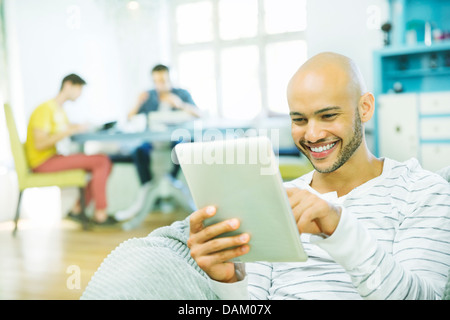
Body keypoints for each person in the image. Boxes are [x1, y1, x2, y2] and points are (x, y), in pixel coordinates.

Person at [81, 52, 450, 300]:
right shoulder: (275, 197)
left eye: (328, 115)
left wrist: (340, 230)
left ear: (364, 108)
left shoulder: (423, 192)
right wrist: (227, 281)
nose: (312, 134)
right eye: (299, 119)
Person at [25, 74, 115, 224]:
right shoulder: (45, 109)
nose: (80, 94)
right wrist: (68, 131)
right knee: (102, 161)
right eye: (79, 88)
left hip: (52, 157)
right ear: (68, 85)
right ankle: (100, 215)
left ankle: (78, 209)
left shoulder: (59, 110)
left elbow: (63, 128)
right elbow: (39, 144)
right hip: (42, 161)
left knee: (104, 163)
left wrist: (77, 127)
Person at [115, 64, 200, 221]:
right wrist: (137, 103)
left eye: (163, 80)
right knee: (139, 150)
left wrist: (180, 105)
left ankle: (172, 180)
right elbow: (129, 117)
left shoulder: (181, 94)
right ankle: (147, 188)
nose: (160, 84)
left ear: (170, 78)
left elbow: (198, 113)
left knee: (183, 146)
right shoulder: (149, 96)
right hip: (154, 141)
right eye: (157, 81)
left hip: (177, 139)